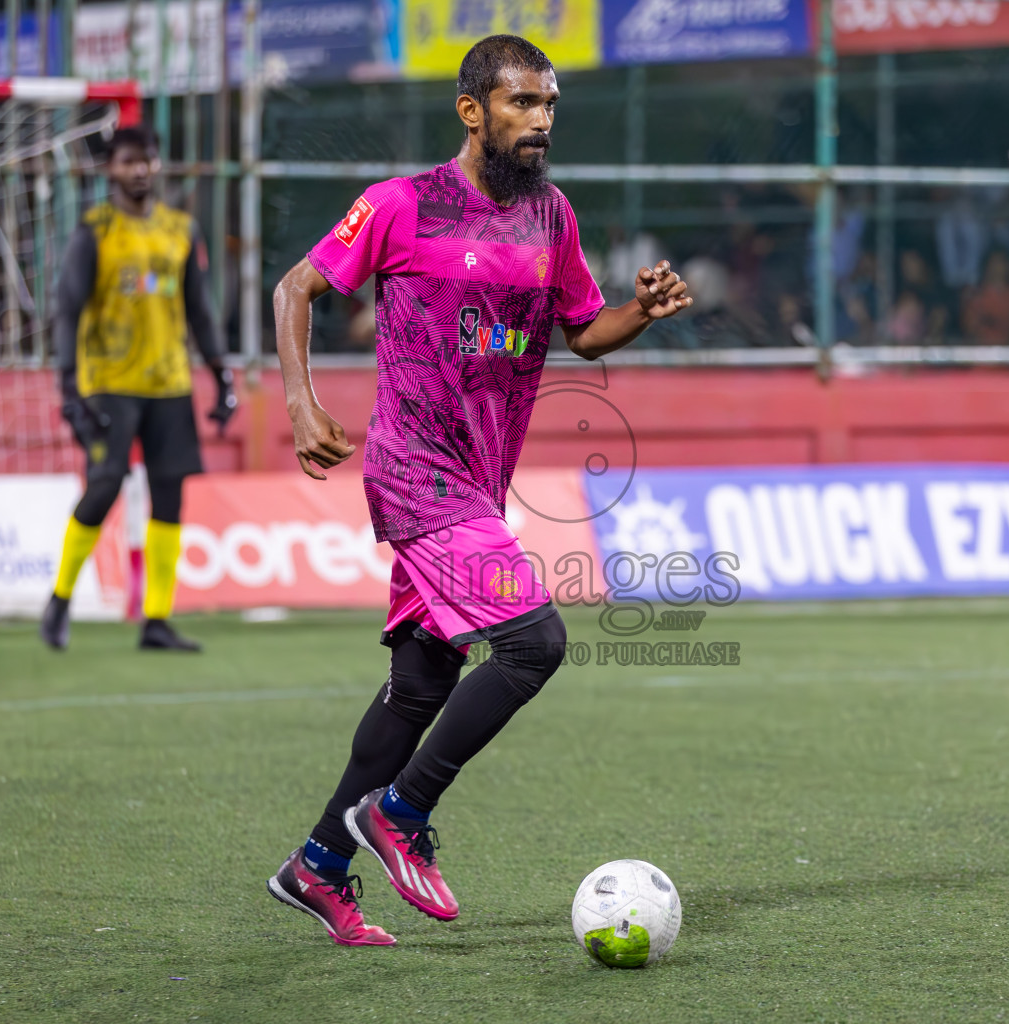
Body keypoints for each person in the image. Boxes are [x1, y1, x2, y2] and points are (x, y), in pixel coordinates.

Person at [266, 34, 693, 947]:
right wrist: (302, 404)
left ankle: (317, 865)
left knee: (420, 686)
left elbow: (584, 331)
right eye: (521, 105)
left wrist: (640, 315)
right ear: (473, 111)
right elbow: (294, 287)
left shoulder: (553, 218)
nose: (540, 122)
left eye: (548, 106)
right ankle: (403, 814)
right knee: (535, 642)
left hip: (479, 483)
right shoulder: (398, 206)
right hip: (417, 472)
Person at [39, 124, 236, 653]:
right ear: (111, 169)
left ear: (157, 165)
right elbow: (67, 312)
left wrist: (220, 374)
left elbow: (200, 309)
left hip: (169, 383)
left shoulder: (180, 229)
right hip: (110, 384)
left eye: (146, 160)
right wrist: (69, 388)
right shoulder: (95, 231)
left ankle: (156, 619)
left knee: (169, 497)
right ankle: (60, 599)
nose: (139, 169)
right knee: (104, 485)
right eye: (128, 161)